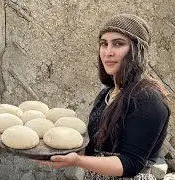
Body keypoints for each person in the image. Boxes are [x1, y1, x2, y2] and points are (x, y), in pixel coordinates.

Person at [38, 14, 171, 179]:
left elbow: (131, 164)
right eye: (104, 44)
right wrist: (51, 147)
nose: (108, 52)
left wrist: (77, 161)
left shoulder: (148, 99)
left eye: (118, 44)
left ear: (137, 50)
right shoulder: (106, 95)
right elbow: (94, 149)